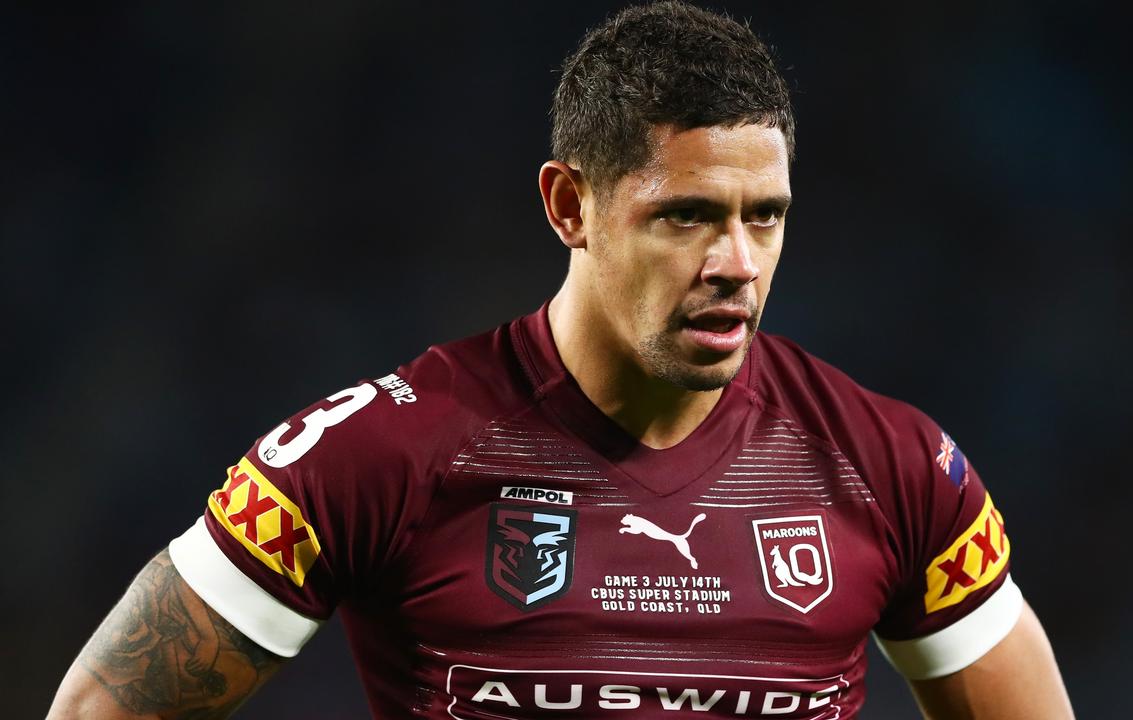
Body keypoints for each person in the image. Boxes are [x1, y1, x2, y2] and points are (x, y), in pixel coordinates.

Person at [48, 2, 1074, 718]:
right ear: (568, 206)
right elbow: (104, 707)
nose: (736, 263)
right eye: (684, 216)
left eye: (765, 217)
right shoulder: (381, 456)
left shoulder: (888, 466)